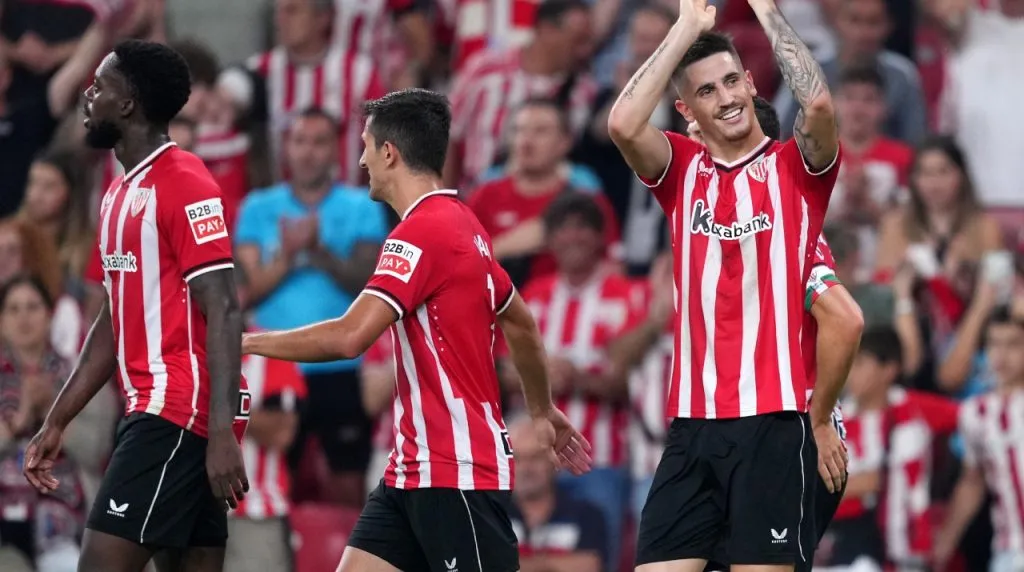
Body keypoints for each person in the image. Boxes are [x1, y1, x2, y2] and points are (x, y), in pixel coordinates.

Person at [241, 88, 593, 572]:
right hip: (410, 472)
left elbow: (350, 337)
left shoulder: (420, 233)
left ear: (389, 153)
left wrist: (243, 342)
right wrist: (541, 408)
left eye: (366, 146)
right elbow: (520, 321)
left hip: (456, 473)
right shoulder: (465, 223)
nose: (361, 160)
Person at [606, 0, 841, 569]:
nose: (728, 97)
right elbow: (621, 124)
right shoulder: (682, 170)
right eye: (707, 90)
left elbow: (817, 102)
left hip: (774, 425)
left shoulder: (796, 171)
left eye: (733, 80)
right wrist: (686, 26)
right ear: (686, 108)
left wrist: (764, 10)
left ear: (749, 81)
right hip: (692, 428)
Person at [20, 40, 250, 572]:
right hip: (160, 411)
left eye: (100, 86)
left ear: (127, 105)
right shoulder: (118, 193)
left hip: (178, 412)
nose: (88, 95)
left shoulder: (186, 180)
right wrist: (58, 419)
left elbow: (224, 307)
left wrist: (219, 433)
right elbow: (112, 321)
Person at [661, 97, 863, 572]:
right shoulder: (720, 234)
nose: (688, 161)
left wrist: (816, 419)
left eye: (697, 145)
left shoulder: (791, 240)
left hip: (785, 433)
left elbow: (844, 318)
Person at [234, 108, 387, 508]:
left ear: (336, 150)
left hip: (341, 362)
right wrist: (288, 256)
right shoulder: (257, 207)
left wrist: (319, 251)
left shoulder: (363, 205)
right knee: (269, 478)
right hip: (276, 365)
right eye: (300, 141)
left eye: (319, 142)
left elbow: (368, 281)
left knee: (348, 484)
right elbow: (248, 290)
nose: (308, 152)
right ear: (287, 147)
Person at [933, 305, 1024, 572]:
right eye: (994, 344)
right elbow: (973, 481)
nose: (1002, 354)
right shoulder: (975, 413)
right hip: (1008, 550)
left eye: (1013, 344)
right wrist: (946, 540)